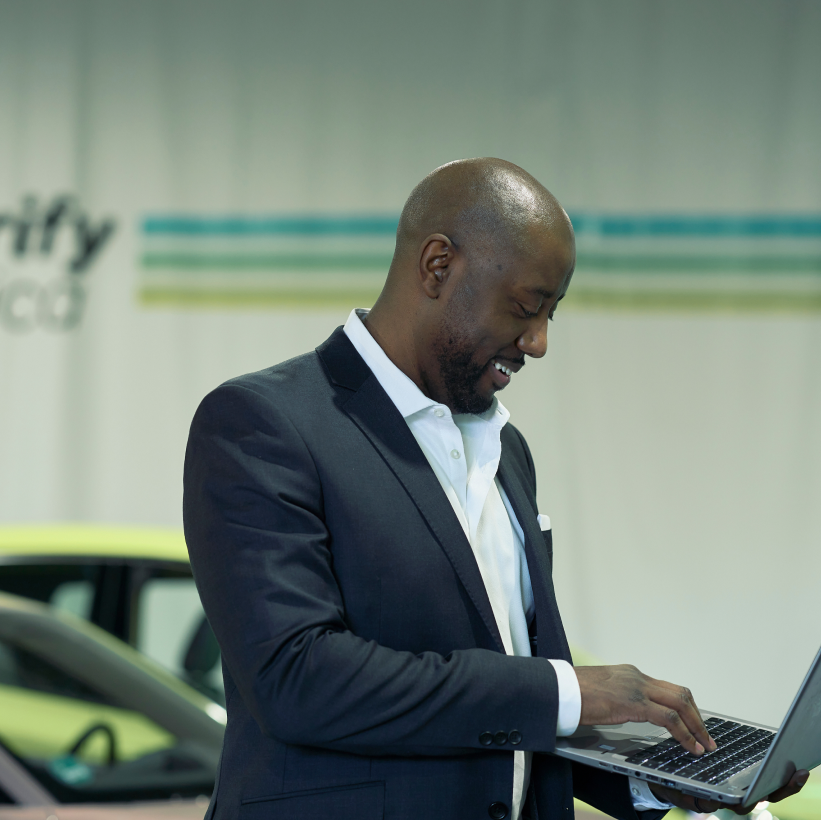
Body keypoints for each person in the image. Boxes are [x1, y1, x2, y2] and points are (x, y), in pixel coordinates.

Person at [183, 158, 808, 819]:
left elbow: (506, 718)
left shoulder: (506, 450)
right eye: (526, 307)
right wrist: (563, 692)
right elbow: (297, 679)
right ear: (436, 266)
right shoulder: (264, 423)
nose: (537, 342)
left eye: (551, 315)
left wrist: (657, 778)